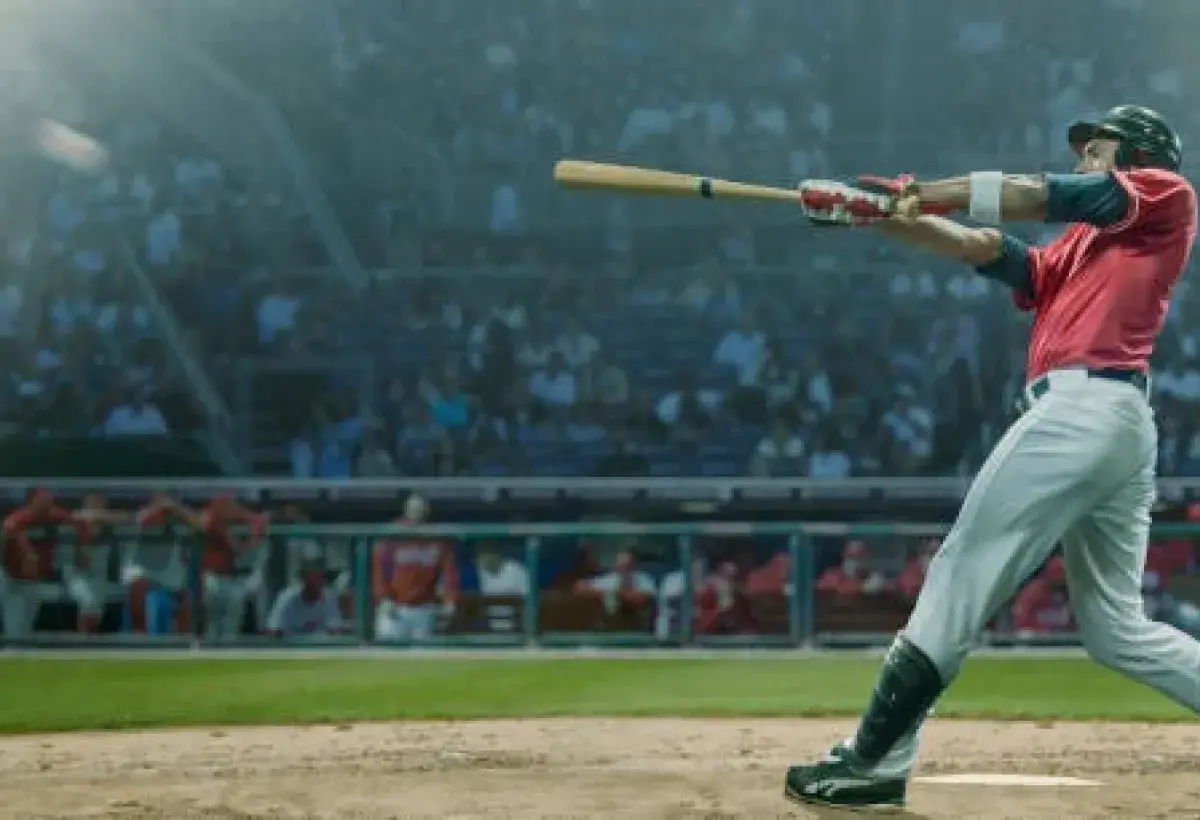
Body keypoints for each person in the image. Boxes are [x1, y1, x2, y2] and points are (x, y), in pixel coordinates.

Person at [790, 105, 1200, 810]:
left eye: (1095, 150)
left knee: (960, 572)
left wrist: (929, 190)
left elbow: (1037, 194)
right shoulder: (1084, 248)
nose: (1082, 162)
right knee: (1115, 629)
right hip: (1111, 421)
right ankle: (877, 758)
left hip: (1082, 411)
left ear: (1133, 154)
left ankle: (877, 762)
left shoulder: (1165, 190)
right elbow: (986, 247)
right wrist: (880, 214)